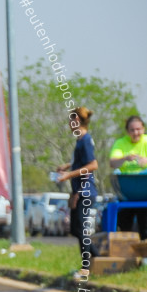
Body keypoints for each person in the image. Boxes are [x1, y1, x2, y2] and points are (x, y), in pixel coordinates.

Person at [108, 115, 147, 239]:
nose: (136, 133)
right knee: (125, 225)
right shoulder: (121, 143)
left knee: (146, 226)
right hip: (128, 190)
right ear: (127, 131)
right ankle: (128, 255)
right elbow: (112, 163)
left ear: (143, 129)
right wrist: (125, 158)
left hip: (146, 190)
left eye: (138, 129)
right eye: (132, 130)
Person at [55, 107, 97, 280]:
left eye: (72, 120)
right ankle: (100, 258)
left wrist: (68, 175)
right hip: (78, 191)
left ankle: (86, 269)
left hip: (85, 192)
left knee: (81, 230)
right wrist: (68, 166)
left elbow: (92, 165)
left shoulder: (85, 140)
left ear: (78, 121)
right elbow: (81, 162)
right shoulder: (80, 141)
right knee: (75, 229)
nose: (70, 123)